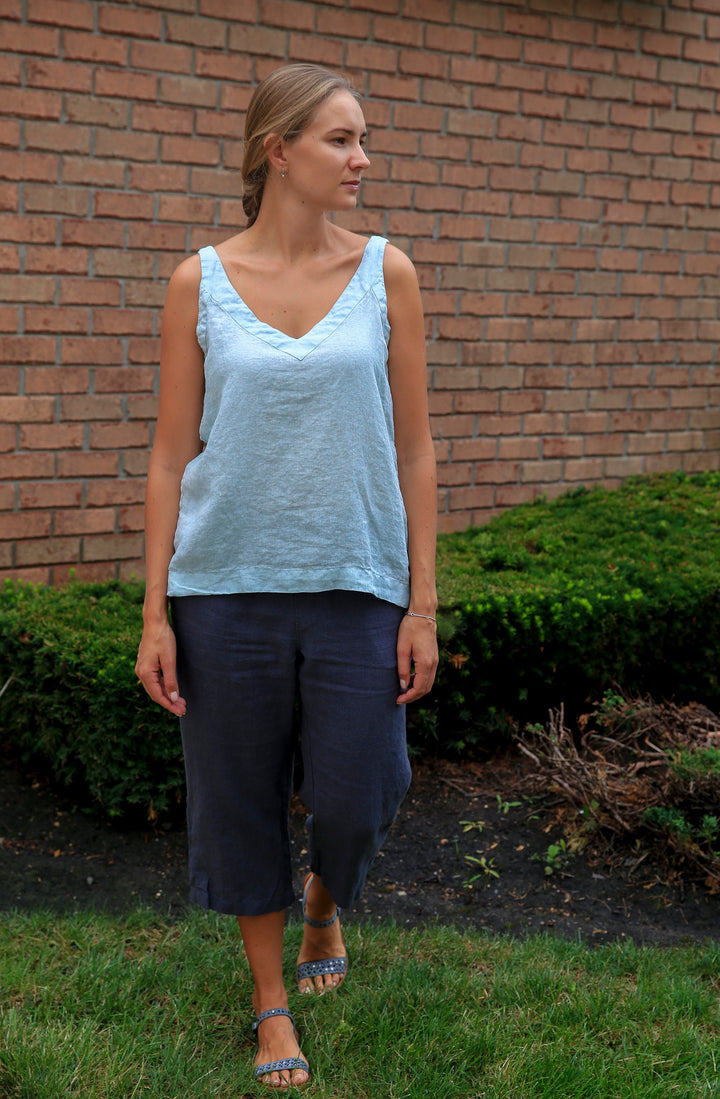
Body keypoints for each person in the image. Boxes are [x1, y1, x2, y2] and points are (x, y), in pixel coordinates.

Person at [135, 62, 438, 1090]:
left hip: (357, 582)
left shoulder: (388, 272)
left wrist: (422, 603)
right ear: (279, 151)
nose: (364, 158)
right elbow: (173, 455)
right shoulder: (199, 282)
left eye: (363, 139)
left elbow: (416, 453)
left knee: (361, 792)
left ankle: (326, 898)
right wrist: (156, 615)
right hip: (223, 589)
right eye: (343, 140)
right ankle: (272, 1004)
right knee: (239, 799)